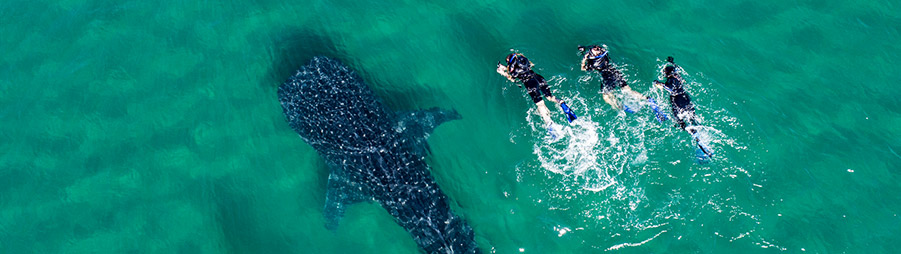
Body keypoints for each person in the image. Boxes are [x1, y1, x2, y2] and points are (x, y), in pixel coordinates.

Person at [496, 52, 565, 125]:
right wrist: (504, 67)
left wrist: (503, 73)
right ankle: (560, 102)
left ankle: (548, 122)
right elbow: (523, 67)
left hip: (531, 84)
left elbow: (512, 78)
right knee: (550, 97)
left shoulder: (514, 71)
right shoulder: (525, 62)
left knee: (540, 104)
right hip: (539, 79)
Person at [579, 45, 647, 111]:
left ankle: (618, 107)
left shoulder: (594, 65)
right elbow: (598, 48)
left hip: (607, 77)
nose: (595, 48)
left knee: (606, 97)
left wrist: (584, 60)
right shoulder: (603, 53)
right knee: (628, 90)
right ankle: (646, 99)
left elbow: (583, 68)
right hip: (616, 73)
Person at [653, 57, 698, 130]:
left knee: (678, 118)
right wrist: (672, 62)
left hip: (677, 99)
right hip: (685, 97)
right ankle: (697, 127)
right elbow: (677, 68)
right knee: (691, 116)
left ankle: (686, 128)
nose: (664, 73)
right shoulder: (677, 76)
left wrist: (659, 83)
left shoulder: (670, 79)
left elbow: (671, 88)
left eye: (665, 72)